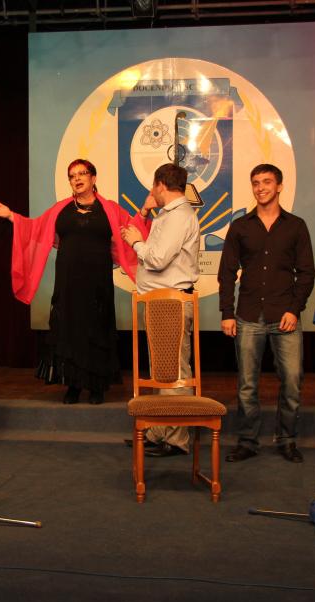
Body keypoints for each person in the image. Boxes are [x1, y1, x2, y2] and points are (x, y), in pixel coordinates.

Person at [0, 159, 148, 404]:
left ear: (93, 178)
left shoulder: (110, 209)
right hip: (67, 282)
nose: (77, 178)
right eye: (72, 176)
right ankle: (73, 384)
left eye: (82, 173)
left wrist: (144, 212)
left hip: (97, 283)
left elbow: (132, 230)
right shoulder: (60, 209)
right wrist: (11, 215)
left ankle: (96, 386)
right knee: (69, 329)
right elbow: (35, 228)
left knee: (96, 329)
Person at [218, 163, 314, 464]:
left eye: (267, 182)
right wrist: (227, 312)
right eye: (256, 182)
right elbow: (226, 272)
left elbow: (307, 273)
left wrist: (294, 309)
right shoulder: (240, 226)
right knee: (247, 384)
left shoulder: (296, 226)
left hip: (285, 314)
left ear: (279, 186)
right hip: (248, 315)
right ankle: (248, 441)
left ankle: (287, 440)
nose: (261, 188)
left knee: (293, 380)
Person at [120, 163, 201, 458]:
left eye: (153, 186)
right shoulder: (168, 214)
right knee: (161, 370)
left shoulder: (178, 216)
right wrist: (146, 212)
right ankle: (158, 432)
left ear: (160, 185)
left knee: (175, 371)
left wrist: (136, 242)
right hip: (160, 301)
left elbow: (157, 259)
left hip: (171, 301)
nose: (151, 191)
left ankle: (176, 439)